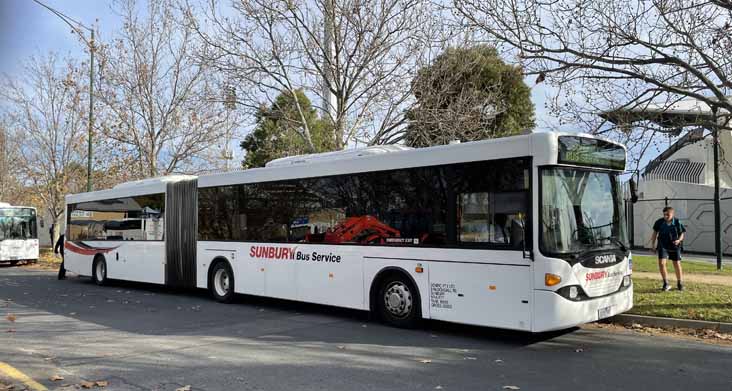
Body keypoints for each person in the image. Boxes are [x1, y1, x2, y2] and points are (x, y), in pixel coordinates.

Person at [650, 206, 686, 291]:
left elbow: (682, 234)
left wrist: (679, 240)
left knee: (676, 263)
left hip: (674, 245)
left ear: (672, 214)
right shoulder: (659, 222)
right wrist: (653, 244)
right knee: (662, 263)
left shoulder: (677, 222)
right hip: (662, 245)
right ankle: (666, 283)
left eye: (668, 215)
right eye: (664, 215)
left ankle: (679, 283)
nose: (666, 216)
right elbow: (654, 233)